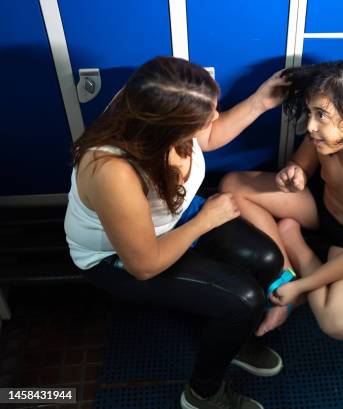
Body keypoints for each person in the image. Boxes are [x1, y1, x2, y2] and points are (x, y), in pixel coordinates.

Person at [64, 56, 291, 409]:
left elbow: (211, 134)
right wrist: (206, 220)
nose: (215, 117)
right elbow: (144, 265)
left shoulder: (152, 102)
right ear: (167, 131)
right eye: (206, 114)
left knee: (267, 259)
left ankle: (231, 339)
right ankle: (202, 395)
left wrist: (261, 100)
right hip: (118, 257)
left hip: (177, 217)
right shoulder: (111, 171)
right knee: (244, 299)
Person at [221, 58, 343, 339]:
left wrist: (302, 287)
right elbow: (299, 164)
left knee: (339, 325)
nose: (310, 126)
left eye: (321, 115)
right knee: (231, 186)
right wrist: (295, 173)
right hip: (320, 206)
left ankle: (294, 244)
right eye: (310, 113)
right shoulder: (326, 136)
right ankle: (285, 272)